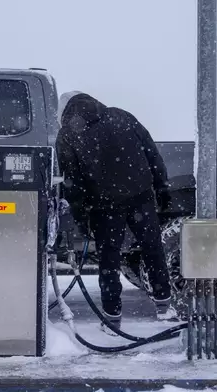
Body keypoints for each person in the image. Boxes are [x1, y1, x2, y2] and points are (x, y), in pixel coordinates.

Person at [55, 91, 177, 334]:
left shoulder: (67, 134)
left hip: (105, 205)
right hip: (140, 196)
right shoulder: (122, 116)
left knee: (109, 261)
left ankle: (112, 317)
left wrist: (81, 217)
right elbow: (152, 153)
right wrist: (162, 186)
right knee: (153, 250)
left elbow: (73, 183)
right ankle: (164, 306)